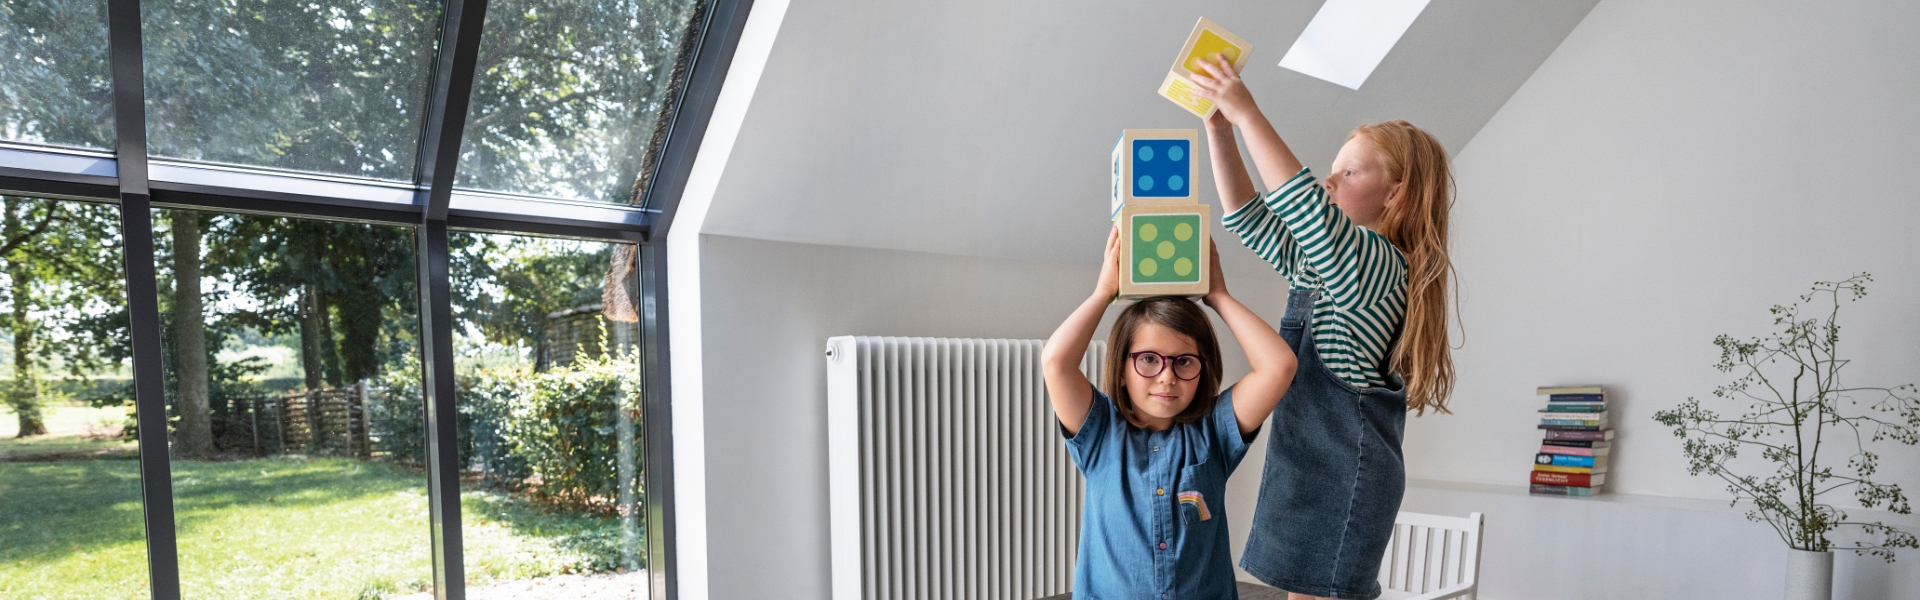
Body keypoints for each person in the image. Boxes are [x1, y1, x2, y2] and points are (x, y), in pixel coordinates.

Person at [1187, 54, 1458, 600]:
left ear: (1396, 193)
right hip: (1308, 471)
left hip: (1343, 479)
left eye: (1349, 172)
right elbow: (1249, 217)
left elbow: (1302, 204)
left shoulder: (1380, 263)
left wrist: (1248, 113)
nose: (1330, 181)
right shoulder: (1324, 268)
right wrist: (1220, 129)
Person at [1041, 229, 1297, 599]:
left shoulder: (1215, 430)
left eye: (1184, 361)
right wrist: (1103, 293)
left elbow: (1280, 366)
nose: (1167, 376)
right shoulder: (1099, 432)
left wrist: (1219, 296)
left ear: (1203, 368)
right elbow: (1056, 362)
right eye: (1148, 359)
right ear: (1122, 370)